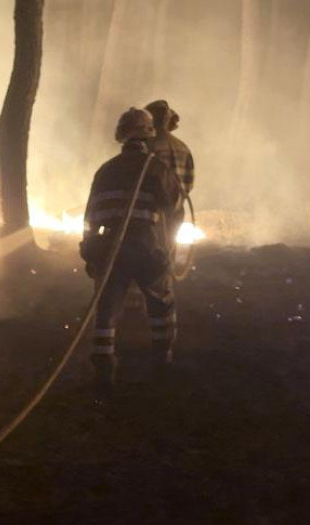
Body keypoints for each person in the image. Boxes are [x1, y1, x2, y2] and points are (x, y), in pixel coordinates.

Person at [79, 108, 183, 402]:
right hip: (145, 245)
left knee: (105, 312)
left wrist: (89, 251)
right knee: (161, 302)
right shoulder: (157, 167)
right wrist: (167, 249)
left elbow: (91, 217)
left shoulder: (105, 170)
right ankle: (162, 363)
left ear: (121, 137)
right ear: (149, 134)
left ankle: (103, 375)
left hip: (109, 247)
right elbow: (174, 211)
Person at [144, 100, 195, 194]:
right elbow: (189, 184)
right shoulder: (184, 148)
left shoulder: (146, 146)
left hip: (150, 207)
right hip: (178, 207)